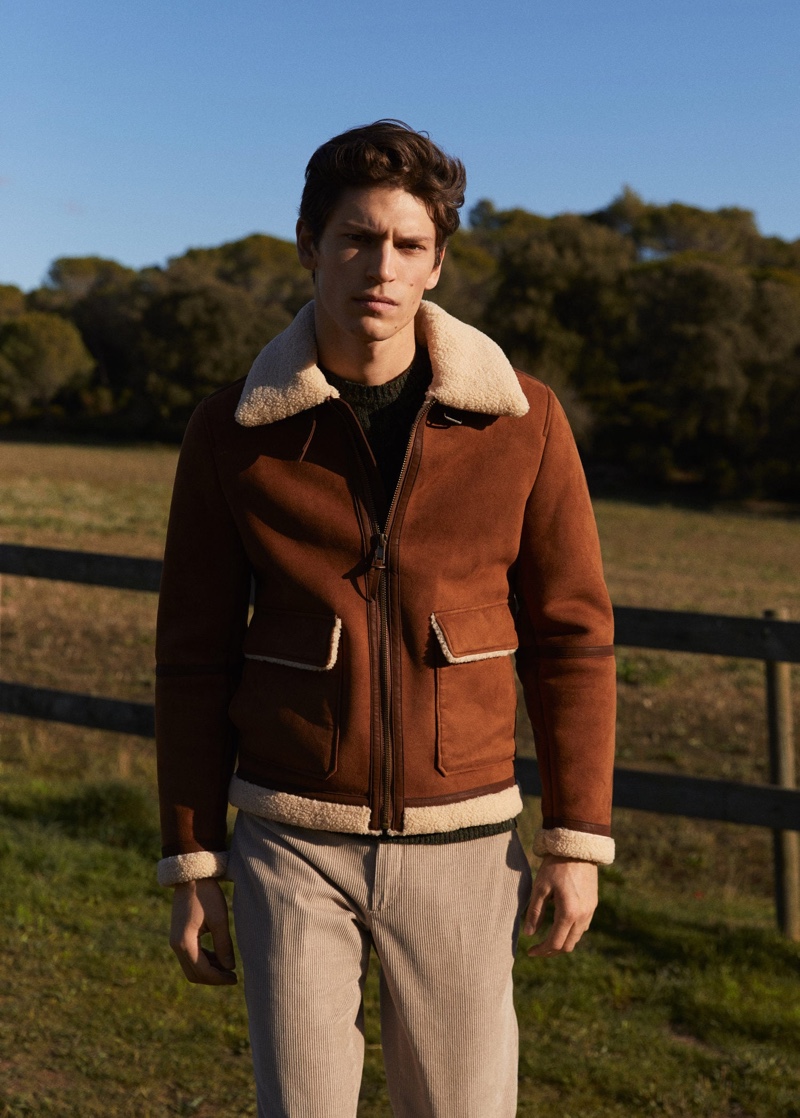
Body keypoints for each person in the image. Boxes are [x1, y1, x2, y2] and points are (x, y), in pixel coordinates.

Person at [155, 120, 616, 1118]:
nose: (380, 265)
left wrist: (576, 837)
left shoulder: (522, 421)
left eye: (407, 245)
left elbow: (572, 638)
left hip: (465, 844)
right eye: (355, 238)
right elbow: (191, 658)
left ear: (437, 261)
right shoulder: (230, 429)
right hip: (287, 839)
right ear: (307, 244)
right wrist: (193, 864)